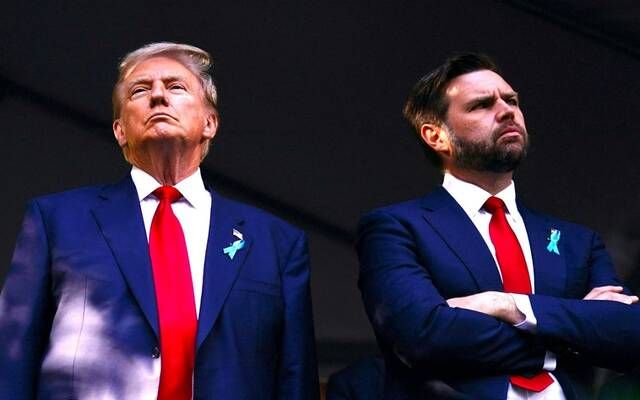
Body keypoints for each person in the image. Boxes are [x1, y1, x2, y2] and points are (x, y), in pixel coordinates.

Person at [0, 42, 319, 399]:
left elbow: (296, 379)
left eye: (175, 87)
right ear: (120, 130)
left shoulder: (276, 242)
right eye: (140, 90)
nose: (157, 96)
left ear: (210, 123)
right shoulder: (55, 222)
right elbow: (10, 362)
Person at [356, 53, 640, 399]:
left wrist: (509, 305)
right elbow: (422, 335)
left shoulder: (577, 241)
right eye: (481, 105)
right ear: (436, 136)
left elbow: (629, 334)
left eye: (512, 100)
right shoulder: (394, 228)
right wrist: (572, 334)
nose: (507, 111)